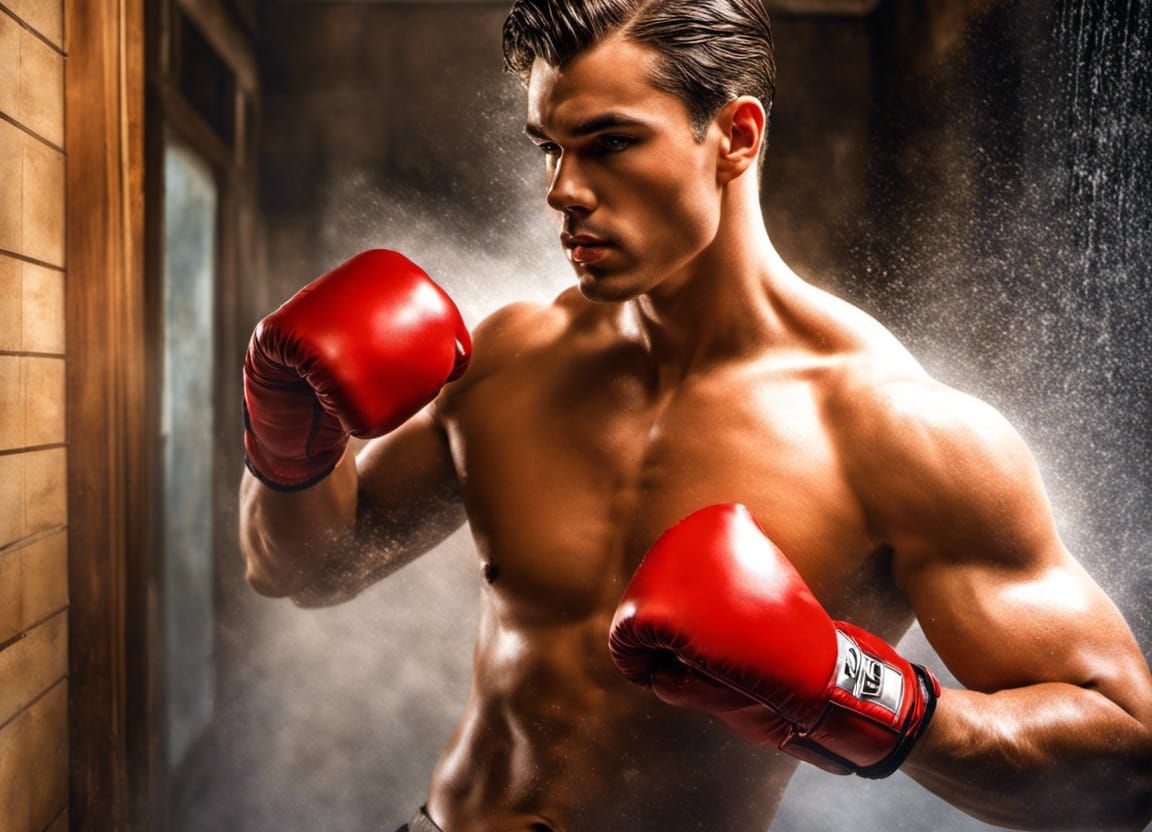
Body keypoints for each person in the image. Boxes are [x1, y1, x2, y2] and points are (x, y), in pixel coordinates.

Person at [238, 1, 1152, 830]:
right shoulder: (508, 359)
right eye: (549, 147)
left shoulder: (893, 432)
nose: (562, 189)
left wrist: (858, 694)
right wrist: (291, 436)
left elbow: (1125, 771)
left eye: (609, 143)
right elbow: (307, 571)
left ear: (735, 137)